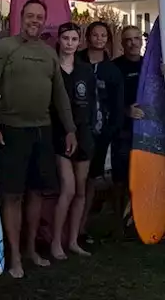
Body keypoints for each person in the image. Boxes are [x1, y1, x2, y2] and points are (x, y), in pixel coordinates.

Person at [0, 0, 78, 279]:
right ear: (20, 17)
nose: (35, 20)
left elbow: (60, 94)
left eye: (40, 16)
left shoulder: (48, 53)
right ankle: (13, 257)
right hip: (12, 130)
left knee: (36, 192)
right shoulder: (4, 48)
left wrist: (70, 128)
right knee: (13, 195)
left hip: (42, 131)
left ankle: (30, 250)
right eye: (30, 16)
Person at [50, 23, 95, 260]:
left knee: (80, 190)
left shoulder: (85, 70)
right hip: (59, 134)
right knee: (67, 189)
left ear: (79, 42)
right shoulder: (52, 68)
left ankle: (73, 240)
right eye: (65, 38)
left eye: (74, 39)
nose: (69, 43)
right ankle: (55, 242)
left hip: (84, 133)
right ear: (59, 40)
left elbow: (92, 101)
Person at [78, 21, 124, 243]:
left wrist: (110, 131)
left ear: (107, 39)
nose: (98, 39)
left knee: (88, 183)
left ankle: (81, 229)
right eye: (94, 35)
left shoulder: (112, 70)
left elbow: (117, 104)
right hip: (75, 132)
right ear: (88, 37)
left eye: (103, 35)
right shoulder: (75, 62)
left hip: (100, 133)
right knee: (71, 183)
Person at [111, 25, 146, 234]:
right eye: (128, 40)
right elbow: (106, 101)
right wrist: (125, 111)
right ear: (122, 44)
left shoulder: (149, 66)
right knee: (120, 178)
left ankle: (141, 217)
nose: (132, 43)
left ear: (141, 41)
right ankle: (118, 221)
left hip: (147, 132)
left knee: (143, 175)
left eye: (136, 38)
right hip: (123, 131)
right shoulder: (115, 67)